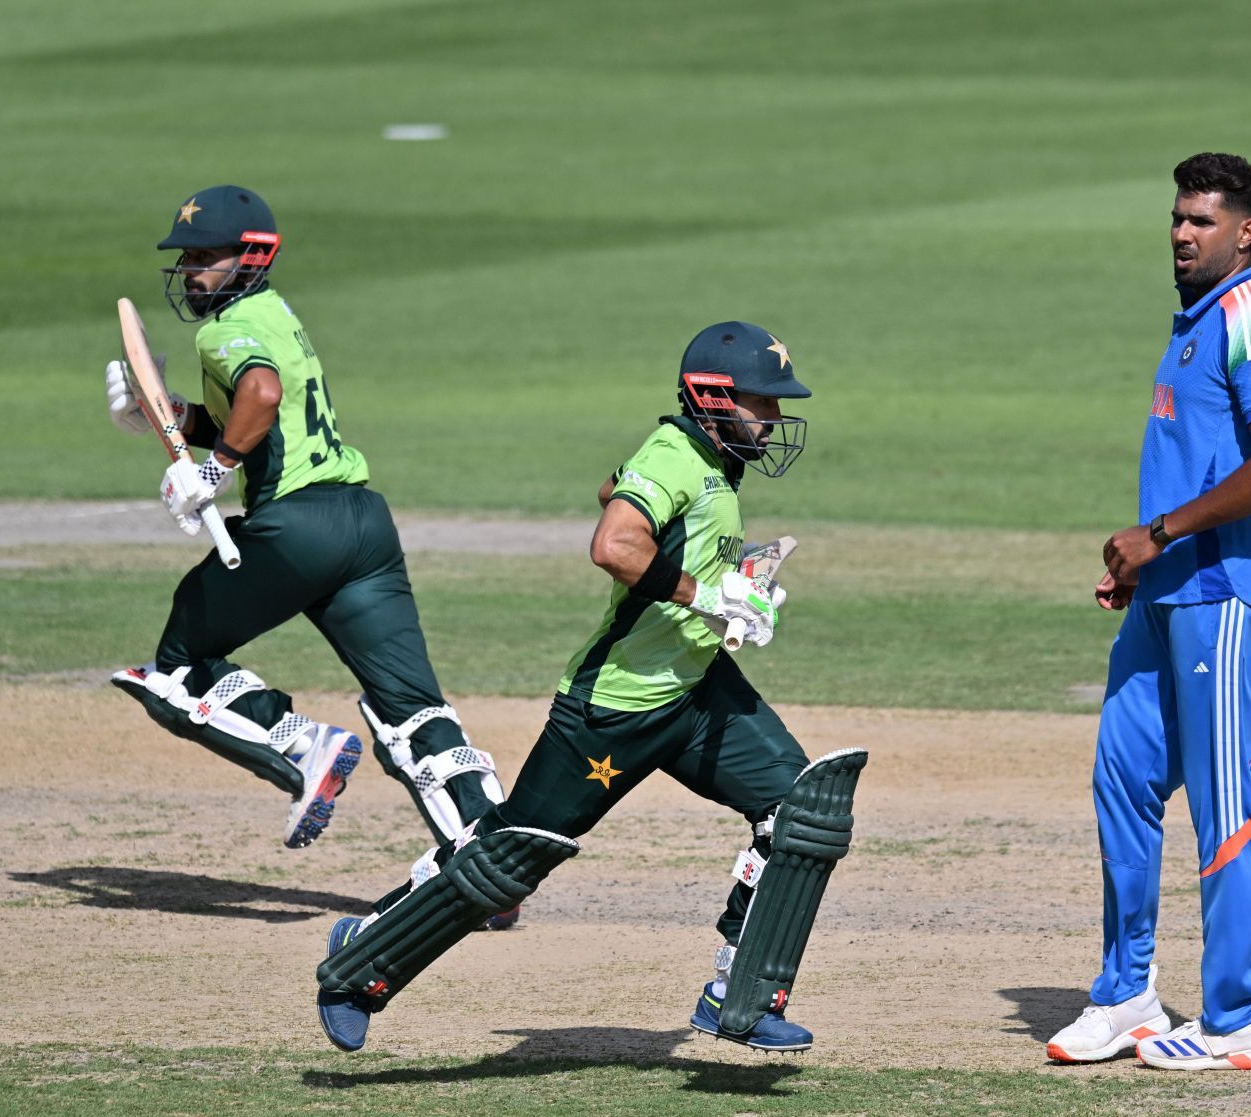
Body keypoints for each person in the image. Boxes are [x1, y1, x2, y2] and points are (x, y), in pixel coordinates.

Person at [310, 322, 867, 1055]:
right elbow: (613, 543)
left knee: (801, 810)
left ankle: (742, 994)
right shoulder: (678, 452)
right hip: (613, 708)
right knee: (509, 866)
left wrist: (734, 590)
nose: (772, 418)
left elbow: (616, 489)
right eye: (761, 402)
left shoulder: (703, 460)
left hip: (696, 690)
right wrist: (704, 594)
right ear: (711, 399)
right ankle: (362, 961)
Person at [103, 185, 507, 865]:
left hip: (297, 529)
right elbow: (260, 414)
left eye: (206, 255)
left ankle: (300, 744)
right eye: (187, 256)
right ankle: (491, 853)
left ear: (252, 256)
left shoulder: (224, 329)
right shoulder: (274, 314)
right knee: (412, 708)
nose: (190, 269)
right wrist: (170, 415)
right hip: (363, 527)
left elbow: (260, 395)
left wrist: (213, 471)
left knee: (173, 671)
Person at [1048, 153, 1251, 1070]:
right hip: (1166, 597)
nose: (1182, 234)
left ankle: (1245, 1014)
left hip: (1228, 596)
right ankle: (1128, 996)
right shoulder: (1196, 321)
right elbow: (1198, 455)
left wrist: (1157, 533)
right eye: (1176, 217)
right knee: (1121, 781)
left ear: (1246, 232)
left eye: (1202, 221)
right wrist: (1142, 567)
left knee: (1222, 800)